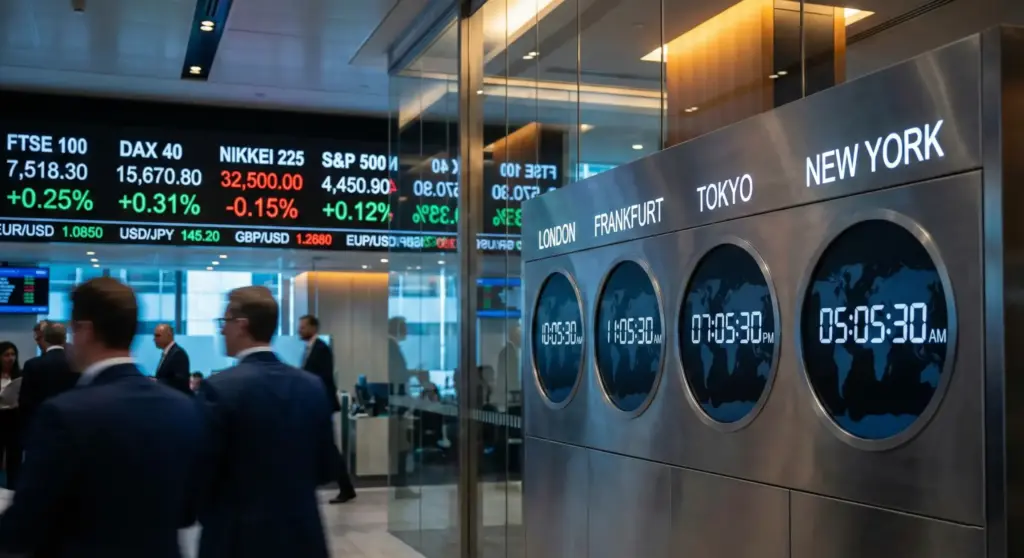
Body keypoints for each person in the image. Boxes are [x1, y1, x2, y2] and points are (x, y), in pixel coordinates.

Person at [0, 278, 205, 558]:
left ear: (85, 330)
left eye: (73, 331)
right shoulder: (182, 410)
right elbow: (186, 512)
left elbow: (22, 528)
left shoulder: (65, 414)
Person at [197, 286, 335, 558]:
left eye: (224, 322)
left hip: (238, 541)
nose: (222, 330)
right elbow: (326, 469)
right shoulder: (312, 386)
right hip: (302, 538)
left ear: (242, 325)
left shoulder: (219, 388)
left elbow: (202, 477)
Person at [299, 314, 356, 504]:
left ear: (314, 328)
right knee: (319, 447)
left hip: (320, 406)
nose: (300, 330)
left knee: (328, 448)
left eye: (303, 327)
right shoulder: (310, 349)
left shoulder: (321, 349)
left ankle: (345, 488)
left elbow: (322, 379)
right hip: (315, 406)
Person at [19, 322, 77, 433]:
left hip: (40, 425)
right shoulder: (76, 363)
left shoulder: (32, 365)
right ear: (65, 339)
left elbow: (25, 402)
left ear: (45, 338)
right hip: (70, 424)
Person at [0, 342, 22, 489]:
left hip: (14, 417)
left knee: (14, 456)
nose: (10, 358)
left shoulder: (20, 375)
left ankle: (13, 488)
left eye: (13, 354)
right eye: (6, 355)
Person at [153, 324, 191, 395]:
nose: (154, 339)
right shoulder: (169, 353)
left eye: (158, 336)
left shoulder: (177, 354)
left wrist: (156, 382)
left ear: (169, 336)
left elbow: (180, 382)